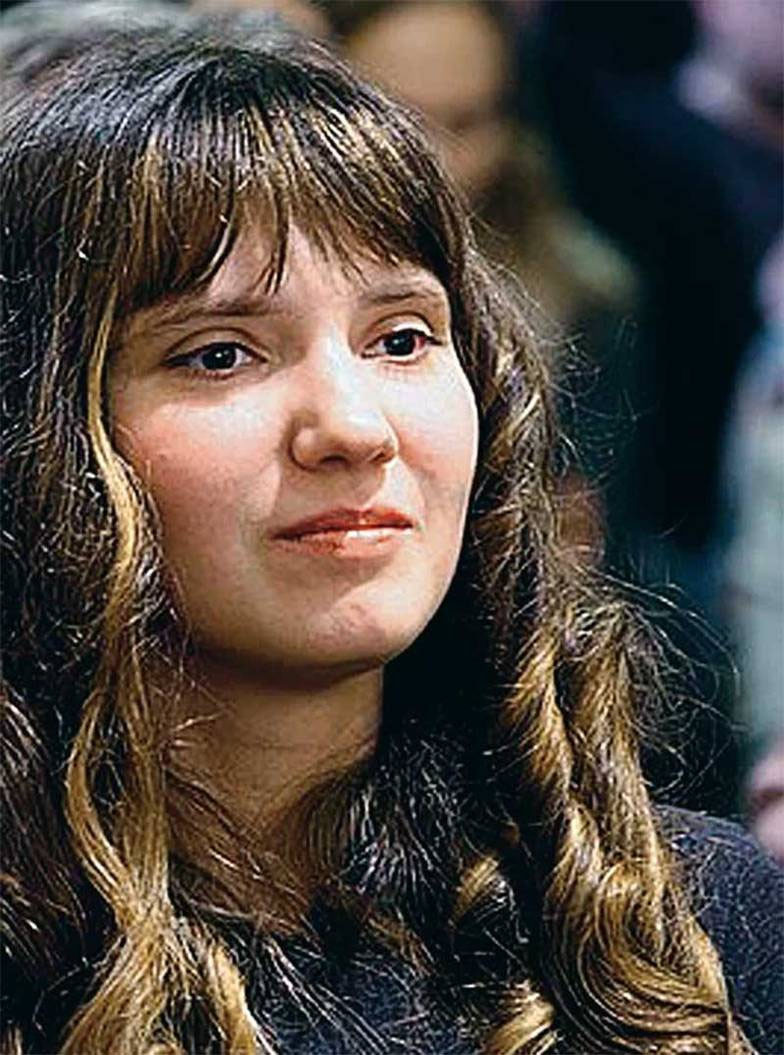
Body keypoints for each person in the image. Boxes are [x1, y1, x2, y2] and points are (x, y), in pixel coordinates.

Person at [0, 14, 781, 1055]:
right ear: (41, 431)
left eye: (402, 338)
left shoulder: (689, 921)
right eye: (219, 353)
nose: (355, 426)